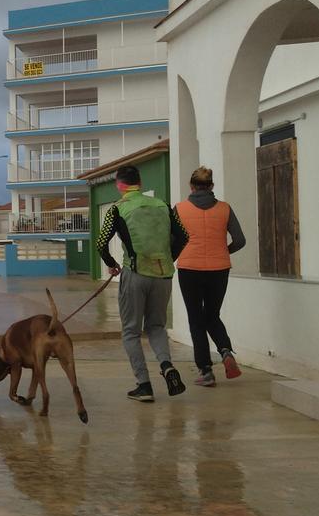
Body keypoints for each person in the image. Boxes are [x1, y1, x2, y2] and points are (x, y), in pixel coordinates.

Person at [95, 165, 190, 403]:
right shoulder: (163, 206)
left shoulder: (118, 208)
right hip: (164, 275)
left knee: (131, 332)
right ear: (140, 181)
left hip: (135, 274)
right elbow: (184, 236)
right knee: (157, 327)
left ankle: (144, 385)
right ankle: (167, 366)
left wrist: (112, 264)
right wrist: (169, 258)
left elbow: (100, 242)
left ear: (119, 185)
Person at [175, 167, 246, 386]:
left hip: (189, 269)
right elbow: (240, 240)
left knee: (196, 320)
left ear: (191, 186)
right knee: (212, 315)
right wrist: (224, 251)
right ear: (212, 186)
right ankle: (225, 351)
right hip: (219, 269)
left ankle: (206, 371)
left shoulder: (179, 209)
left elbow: (172, 241)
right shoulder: (225, 209)